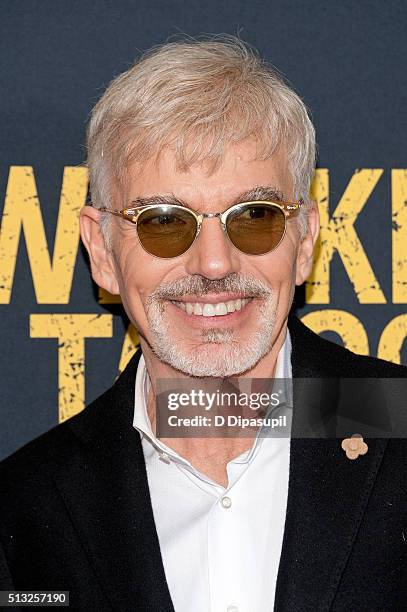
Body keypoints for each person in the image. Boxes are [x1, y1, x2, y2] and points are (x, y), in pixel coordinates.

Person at [1, 36, 406, 612]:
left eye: (256, 217)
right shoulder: (25, 509)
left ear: (305, 240)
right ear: (103, 250)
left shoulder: (399, 423)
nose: (214, 264)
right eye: (164, 221)